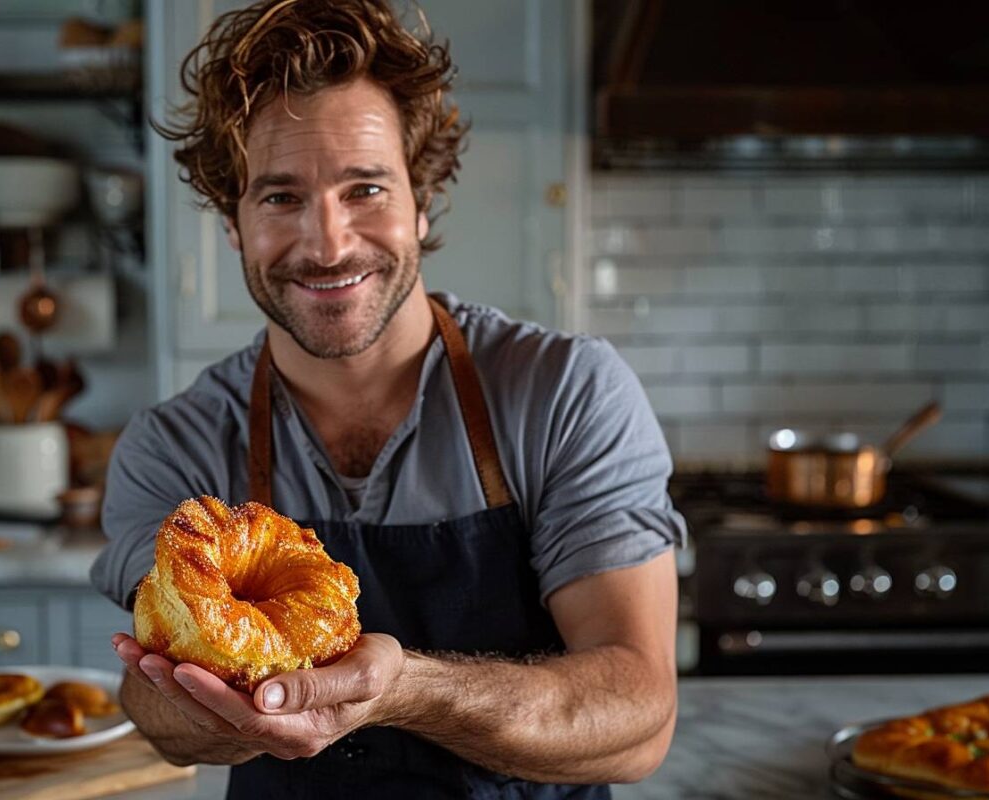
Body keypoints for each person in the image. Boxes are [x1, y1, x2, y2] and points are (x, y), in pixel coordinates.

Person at [96, 1, 686, 796]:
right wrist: (204, 707)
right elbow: (154, 711)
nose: (328, 243)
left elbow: (639, 716)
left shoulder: (563, 394)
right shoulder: (176, 447)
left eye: (365, 188)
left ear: (423, 198)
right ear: (230, 222)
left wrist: (403, 690)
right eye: (278, 198)